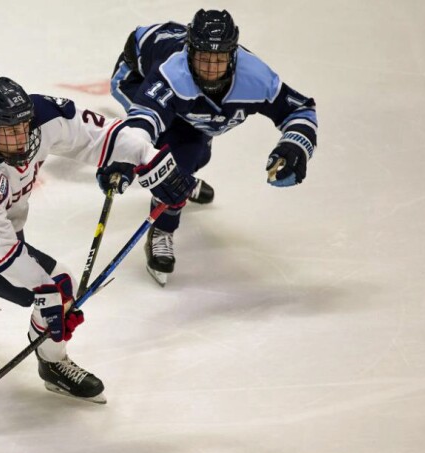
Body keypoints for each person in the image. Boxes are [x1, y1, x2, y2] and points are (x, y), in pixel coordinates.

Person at [0, 77, 189, 403]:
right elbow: (3, 255)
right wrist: (48, 295)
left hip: (2, 217)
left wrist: (150, 158)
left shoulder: (42, 115)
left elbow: (99, 136)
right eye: (10, 132)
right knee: (58, 283)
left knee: (28, 271)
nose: (21, 140)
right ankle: (52, 363)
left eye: (24, 128)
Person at [98, 9, 318, 286]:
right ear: (190, 53)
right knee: (177, 154)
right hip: (136, 76)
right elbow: (144, 121)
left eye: (220, 59)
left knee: (199, 152)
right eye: (204, 58)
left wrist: (294, 145)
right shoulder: (171, 75)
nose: (211, 69)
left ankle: (184, 177)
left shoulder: (256, 77)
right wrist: (126, 155)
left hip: (186, 90)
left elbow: (300, 110)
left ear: (233, 55)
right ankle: (162, 228)